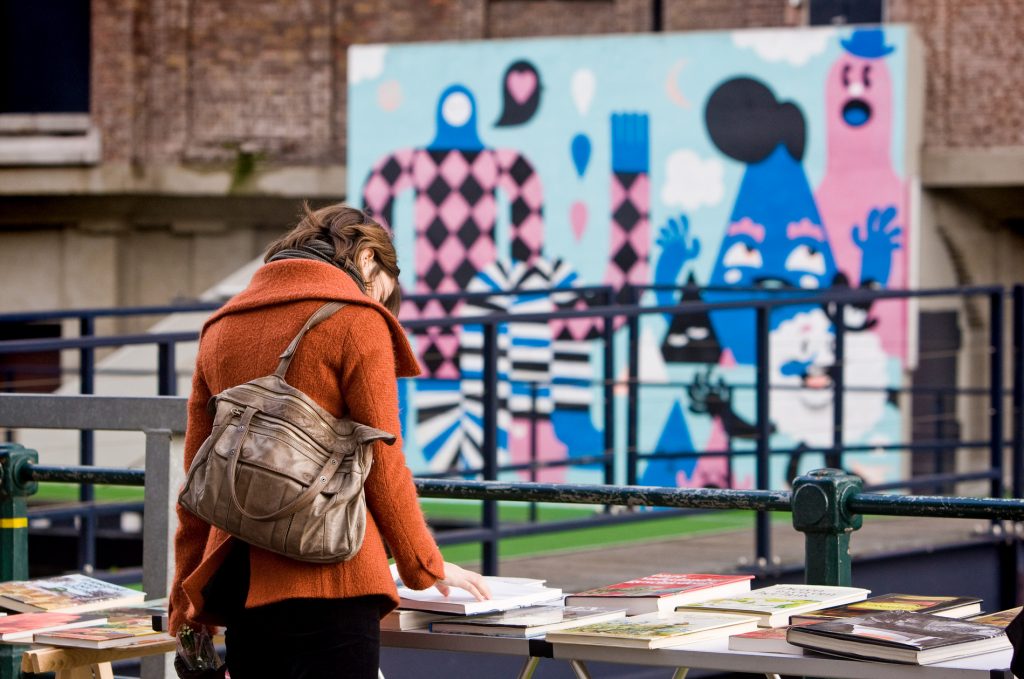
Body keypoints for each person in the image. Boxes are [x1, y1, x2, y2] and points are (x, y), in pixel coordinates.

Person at [169, 203, 490, 679]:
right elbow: (383, 459)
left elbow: (197, 479)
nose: (381, 303)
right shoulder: (356, 319)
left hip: (240, 579)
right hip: (333, 580)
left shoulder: (219, 328)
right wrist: (427, 564)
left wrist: (185, 598)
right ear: (365, 260)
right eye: (383, 290)